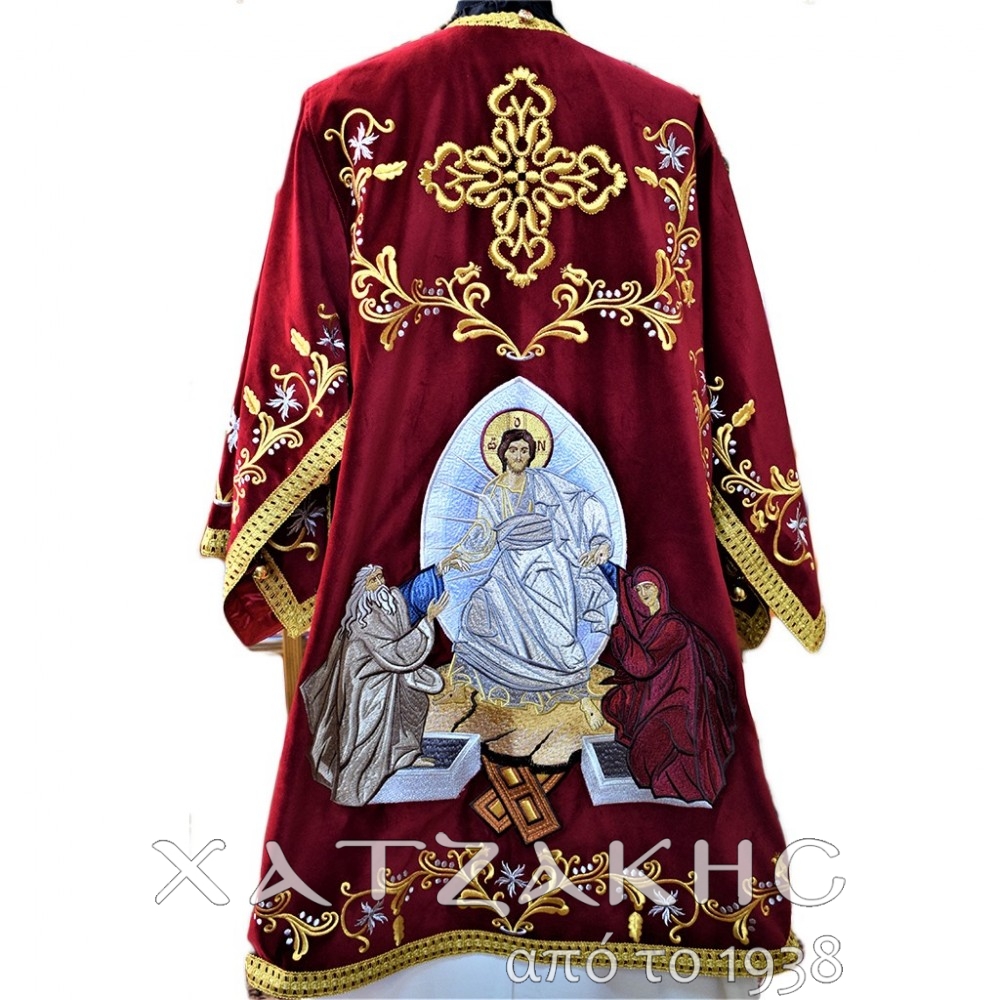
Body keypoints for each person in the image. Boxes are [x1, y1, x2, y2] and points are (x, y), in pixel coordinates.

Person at [445, 428, 616, 701]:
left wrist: (600, 541)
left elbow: (583, 502)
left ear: (531, 454)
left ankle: (566, 681)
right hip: (510, 565)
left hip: (547, 563)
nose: (518, 455)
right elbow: (483, 532)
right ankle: (498, 678)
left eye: (524, 451)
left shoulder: (543, 482)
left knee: (556, 632)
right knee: (480, 606)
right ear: (503, 453)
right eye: (513, 450)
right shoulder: (493, 490)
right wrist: (458, 554)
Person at [300, 564, 449, 806]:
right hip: (367, 686)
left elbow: (408, 596)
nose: (380, 583)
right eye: (373, 581)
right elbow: (395, 652)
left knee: (414, 704)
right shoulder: (364, 621)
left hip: (389, 674)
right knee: (369, 731)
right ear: (363, 588)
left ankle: (402, 758)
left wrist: (440, 569)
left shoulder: (387, 603)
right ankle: (353, 786)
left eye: (380, 577)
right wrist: (427, 621)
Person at [602, 567, 738, 803]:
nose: (643, 593)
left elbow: (643, 666)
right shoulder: (648, 625)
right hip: (655, 699)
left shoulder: (675, 626)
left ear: (659, 589)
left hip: (678, 705)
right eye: (637, 589)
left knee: (645, 762)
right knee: (616, 707)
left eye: (647, 587)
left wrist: (620, 635)